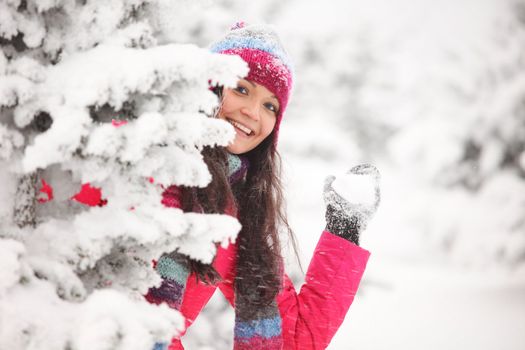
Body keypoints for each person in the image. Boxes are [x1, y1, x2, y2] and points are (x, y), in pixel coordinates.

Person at [146, 22, 381, 350]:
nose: (253, 112)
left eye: (270, 105)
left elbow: (293, 340)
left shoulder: (234, 219)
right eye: (241, 89)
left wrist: (344, 231)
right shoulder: (140, 154)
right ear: (209, 87)